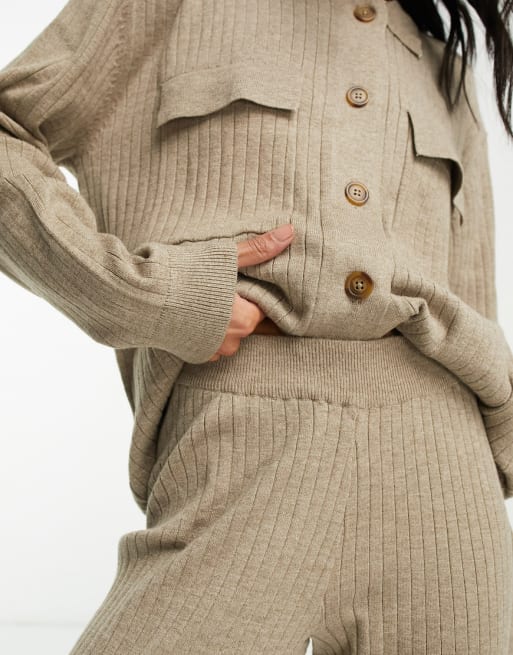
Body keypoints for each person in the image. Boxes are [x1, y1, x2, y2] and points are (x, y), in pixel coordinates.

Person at [1, 0, 513, 652]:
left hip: (447, 469)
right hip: (240, 441)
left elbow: (474, 301)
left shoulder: (444, 65)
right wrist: (158, 297)